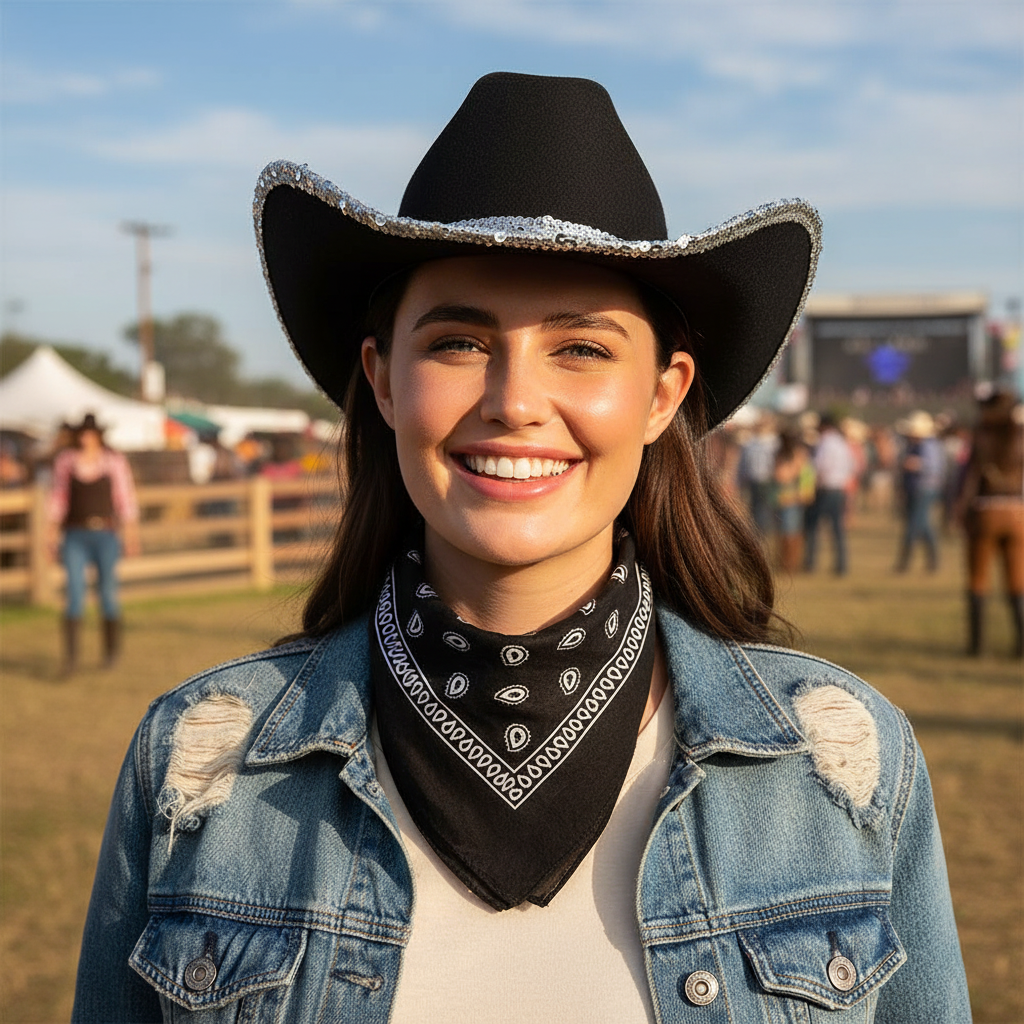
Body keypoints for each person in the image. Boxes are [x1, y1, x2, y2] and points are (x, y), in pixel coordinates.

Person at [72, 73, 969, 1022]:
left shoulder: (839, 769)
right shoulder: (196, 770)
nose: (513, 399)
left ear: (663, 396)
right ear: (382, 381)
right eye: (458, 342)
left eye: (581, 349)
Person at [48, 412, 140, 675]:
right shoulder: (67, 462)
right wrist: (51, 532)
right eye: (83, 434)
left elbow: (125, 499)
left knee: (107, 593)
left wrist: (131, 535)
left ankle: (111, 654)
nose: (86, 438)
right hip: (75, 533)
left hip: (105, 533)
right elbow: (59, 498)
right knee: (74, 594)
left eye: (91, 433)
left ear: (98, 436)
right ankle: (71, 658)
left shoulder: (113, 462)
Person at [956, 390, 1024, 657]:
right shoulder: (1020, 434)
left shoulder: (982, 434)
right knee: (1017, 581)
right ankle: (1021, 643)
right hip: (1017, 513)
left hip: (987, 510)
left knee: (978, 579)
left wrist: (961, 508)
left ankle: (977, 646)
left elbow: (971, 475)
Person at [803, 413, 855, 575]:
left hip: (825, 489)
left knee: (812, 526)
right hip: (838, 488)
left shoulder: (825, 442)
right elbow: (851, 465)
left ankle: (810, 563)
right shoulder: (841, 442)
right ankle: (841, 565)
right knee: (837, 529)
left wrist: (810, 485)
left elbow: (819, 467)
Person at [894, 410, 945, 573]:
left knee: (913, 525)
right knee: (924, 525)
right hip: (916, 489)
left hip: (925, 489)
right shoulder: (914, 445)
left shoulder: (929, 445)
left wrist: (915, 464)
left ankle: (904, 563)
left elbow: (935, 468)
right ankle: (933, 561)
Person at [772, 429, 813, 572]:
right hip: (788, 499)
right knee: (788, 533)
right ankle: (787, 563)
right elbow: (781, 475)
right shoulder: (791, 455)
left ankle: (789, 564)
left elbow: (782, 476)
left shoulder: (793, 455)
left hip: (793, 498)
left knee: (791, 533)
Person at [737, 411, 779, 535]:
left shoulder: (775, 443)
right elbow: (743, 465)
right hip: (754, 482)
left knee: (767, 514)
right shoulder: (750, 443)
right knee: (756, 514)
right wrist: (740, 482)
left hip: (770, 482)